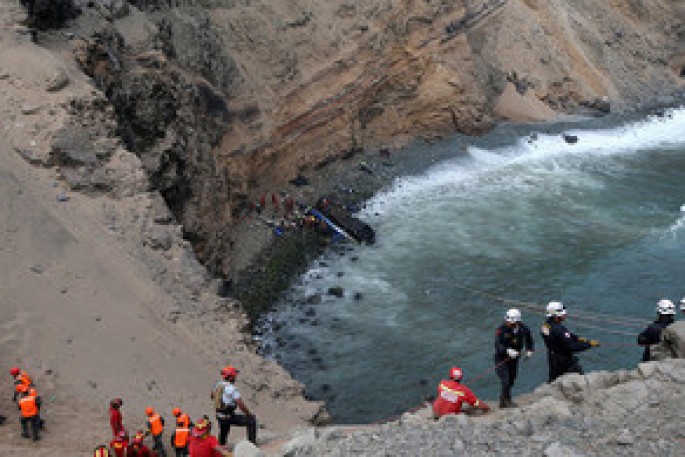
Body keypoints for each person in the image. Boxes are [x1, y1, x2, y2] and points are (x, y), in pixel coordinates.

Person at [541, 301, 599, 382]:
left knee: (554, 379)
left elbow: (563, 337)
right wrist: (588, 344)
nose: (565, 315)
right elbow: (572, 347)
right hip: (564, 361)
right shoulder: (560, 330)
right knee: (580, 380)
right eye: (563, 314)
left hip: (552, 358)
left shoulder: (545, 326)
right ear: (556, 316)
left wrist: (577, 338)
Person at [494, 308, 534, 408]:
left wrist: (529, 350)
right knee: (505, 380)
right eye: (508, 321)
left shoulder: (523, 329)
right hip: (501, 358)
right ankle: (504, 402)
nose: (508, 324)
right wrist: (507, 350)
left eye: (511, 322)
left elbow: (529, 340)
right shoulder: (501, 329)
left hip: (514, 359)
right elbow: (498, 344)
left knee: (511, 380)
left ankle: (506, 398)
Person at [213, 366, 257, 445]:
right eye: (234, 376)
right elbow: (240, 404)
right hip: (228, 416)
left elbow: (212, 396)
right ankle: (252, 445)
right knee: (251, 421)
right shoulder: (232, 388)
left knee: (223, 431)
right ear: (230, 377)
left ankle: (221, 447)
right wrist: (248, 414)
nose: (235, 378)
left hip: (219, 415)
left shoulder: (218, 385)